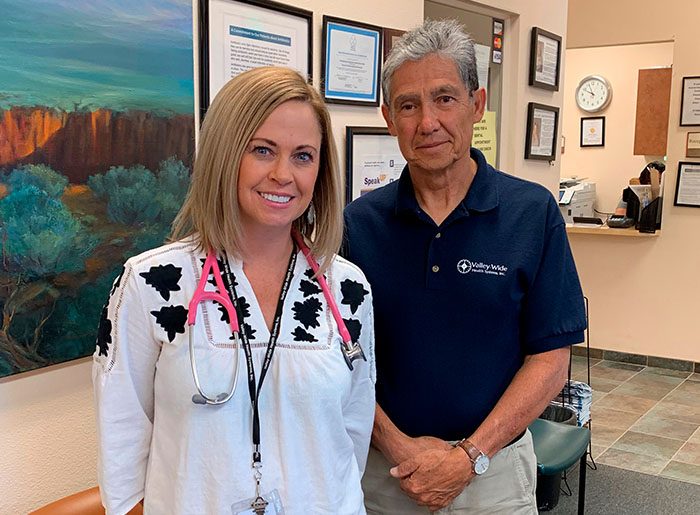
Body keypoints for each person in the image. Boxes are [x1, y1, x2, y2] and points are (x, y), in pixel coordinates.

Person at [93, 66, 375, 515]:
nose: (284, 174)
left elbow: (353, 433)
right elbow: (122, 449)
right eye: (263, 150)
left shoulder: (346, 289)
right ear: (225, 154)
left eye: (303, 156)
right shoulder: (152, 284)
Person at [343, 19, 586, 514]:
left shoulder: (532, 213)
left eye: (445, 98)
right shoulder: (357, 225)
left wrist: (469, 455)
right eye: (408, 105)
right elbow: (341, 362)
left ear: (477, 105)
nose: (427, 121)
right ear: (390, 119)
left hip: (493, 474)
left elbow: (551, 361)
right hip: (386, 475)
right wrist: (400, 448)